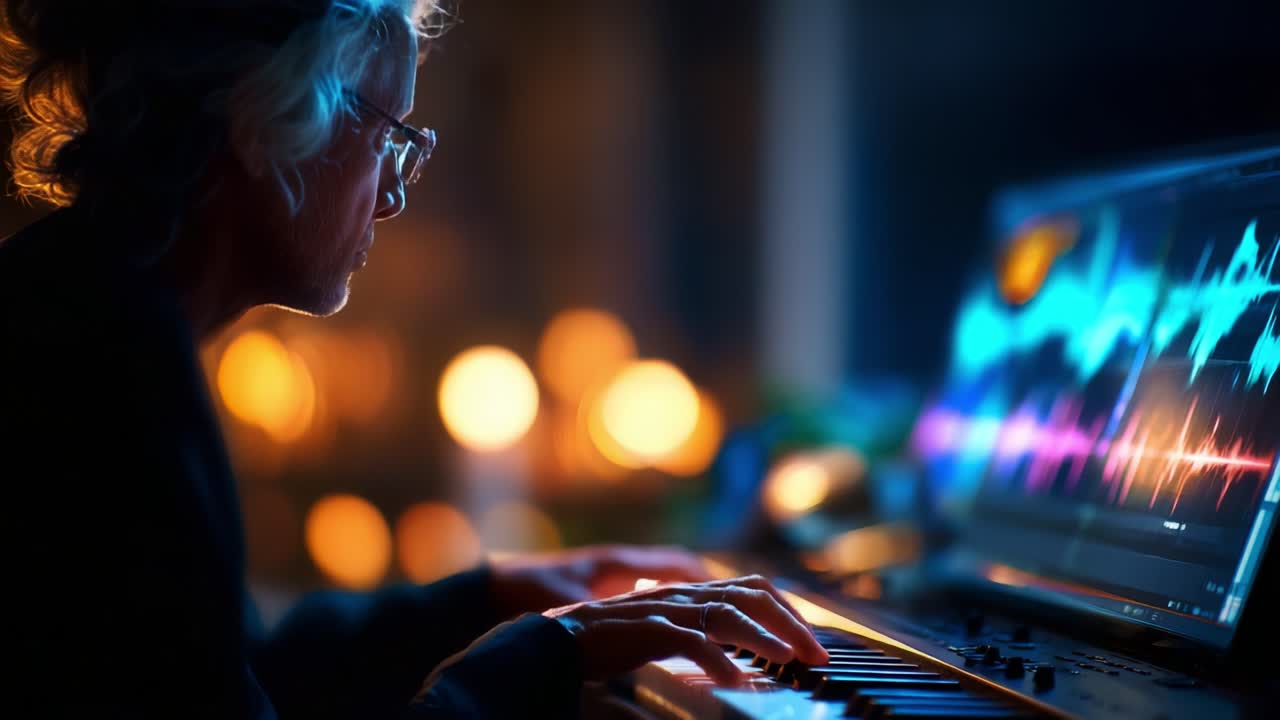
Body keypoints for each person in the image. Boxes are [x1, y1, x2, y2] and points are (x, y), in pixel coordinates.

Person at [0, 1, 829, 718]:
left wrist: (496, 596)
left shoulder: (89, 306)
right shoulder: (102, 371)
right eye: (386, 136)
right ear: (269, 114)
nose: (394, 194)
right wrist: (554, 655)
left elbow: (232, 670)